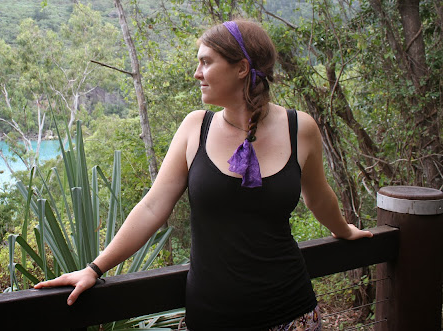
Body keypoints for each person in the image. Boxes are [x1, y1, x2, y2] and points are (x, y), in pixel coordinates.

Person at [34, 19, 373, 330]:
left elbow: (319, 197)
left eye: (206, 62)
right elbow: (153, 206)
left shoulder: (300, 128)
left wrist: (344, 230)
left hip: (292, 314)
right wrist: (94, 269)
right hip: (211, 318)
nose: (197, 73)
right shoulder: (195, 128)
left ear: (241, 68)